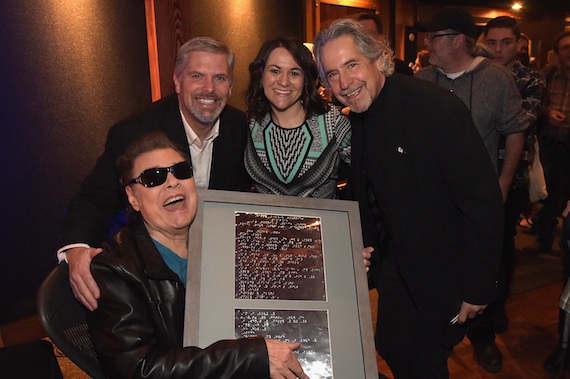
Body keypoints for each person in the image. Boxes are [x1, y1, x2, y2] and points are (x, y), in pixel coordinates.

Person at [313, 19, 504, 378]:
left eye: (352, 65)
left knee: (422, 360)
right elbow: (369, 189)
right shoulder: (359, 115)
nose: (344, 83)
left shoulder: (435, 110)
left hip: (443, 270)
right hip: (398, 268)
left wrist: (479, 286)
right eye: (332, 74)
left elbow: (483, 203)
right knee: (392, 346)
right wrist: (365, 245)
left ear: (376, 58)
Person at [86, 131, 308, 379]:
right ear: (132, 197)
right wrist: (250, 356)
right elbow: (141, 370)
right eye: (153, 177)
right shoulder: (115, 268)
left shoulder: (226, 241)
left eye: (181, 171)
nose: (172, 182)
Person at [59, 37, 251, 311]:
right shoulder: (134, 132)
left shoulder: (241, 127)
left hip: (217, 266)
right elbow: (94, 200)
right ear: (177, 81)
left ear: (230, 86)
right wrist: (76, 248)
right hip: (153, 276)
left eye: (219, 78)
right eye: (197, 76)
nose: (209, 88)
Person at [459, 15, 545, 373]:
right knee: (469, 250)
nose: (497, 49)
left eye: (505, 42)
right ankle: (474, 318)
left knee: (500, 252)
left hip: (510, 179)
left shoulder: (529, 79)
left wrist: (505, 184)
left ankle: (490, 321)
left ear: (519, 44)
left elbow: (520, 123)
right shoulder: (472, 75)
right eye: (491, 42)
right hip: (473, 180)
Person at [245, 37, 351, 198]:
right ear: (261, 75)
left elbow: (368, 180)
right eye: (275, 71)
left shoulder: (334, 125)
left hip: (325, 222)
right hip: (263, 223)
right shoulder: (248, 124)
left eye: (294, 73)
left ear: (306, 80)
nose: (284, 81)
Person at [523, 31, 570, 256]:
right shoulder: (548, 75)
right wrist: (548, 113)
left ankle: (566, 244)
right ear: (557, 53)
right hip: (551, 142)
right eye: (565, 48)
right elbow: (535, 106)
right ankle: (543, 238)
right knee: (547, 192)